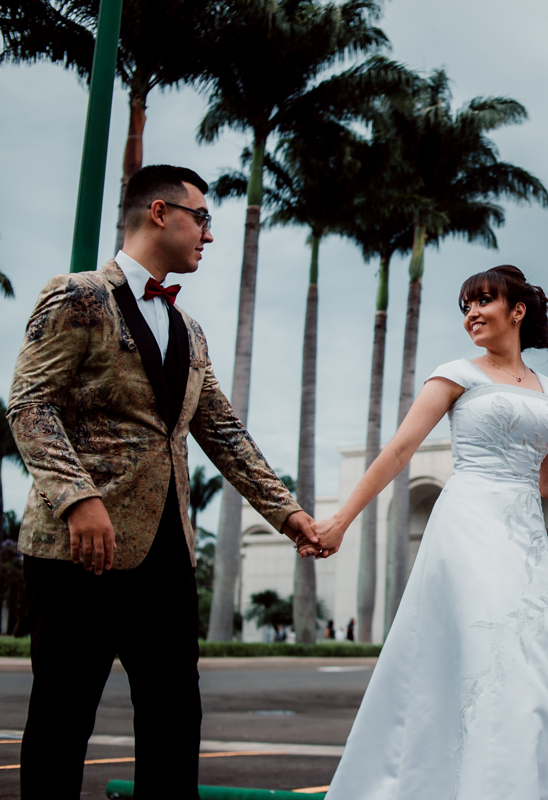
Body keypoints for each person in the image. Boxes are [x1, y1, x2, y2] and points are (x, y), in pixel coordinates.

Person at [6, 165, 320, 800]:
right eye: (202, 218)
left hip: (166, 553)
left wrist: (288, 514)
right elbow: (29, 406)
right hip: (78, 553)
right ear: (159, 212)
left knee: (176, 723)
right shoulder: (79, 296)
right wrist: (77, 498)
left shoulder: (189, 329)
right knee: (63, 723)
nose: (208, 234)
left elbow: (223, 431)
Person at [312, 265, 548, 800]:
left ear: (518, 311)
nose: (472, 314)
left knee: (538, 660)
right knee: (490, 650)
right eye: (466, 305)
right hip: (468, 525)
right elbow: (398, 452)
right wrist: (341, 520)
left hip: (526, 539)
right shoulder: (456, 374)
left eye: (483, 301)